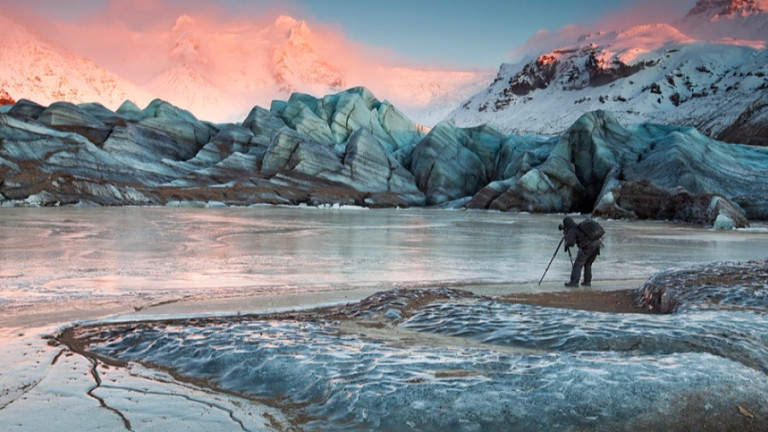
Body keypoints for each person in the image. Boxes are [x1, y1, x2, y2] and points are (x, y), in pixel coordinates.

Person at [559, 216, 603, 287]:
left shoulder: (572, 230)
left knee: (577, 265)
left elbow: (571, 244)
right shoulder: (580, 227)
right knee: (588, 264)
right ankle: (587, 282)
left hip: (588, 246)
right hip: (597, 244)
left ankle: (574, 282)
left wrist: (567, 237)